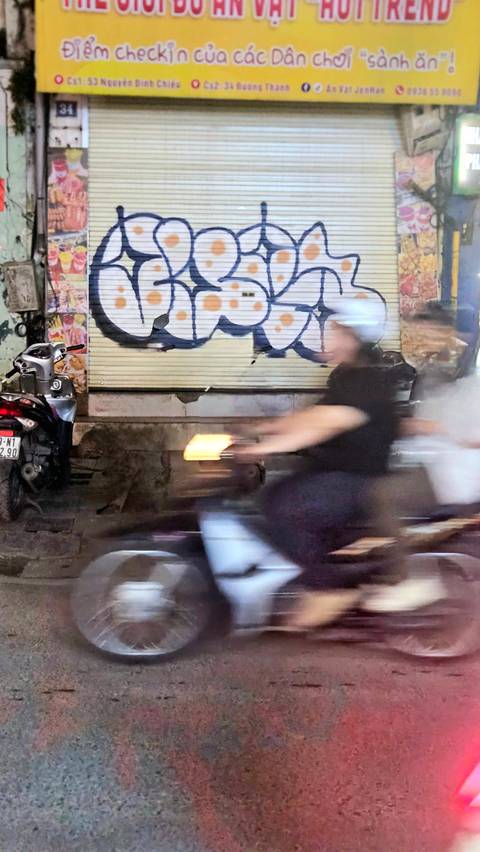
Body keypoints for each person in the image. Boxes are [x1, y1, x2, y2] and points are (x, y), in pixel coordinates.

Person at [236, 297, 398, 629]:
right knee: (271, 495)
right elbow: (315, 415)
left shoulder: (367, 379)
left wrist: (266, 447)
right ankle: (314, 570)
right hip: (334, 470)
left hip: (357, 479)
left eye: (335, 330)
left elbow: (328, 423)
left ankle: (327, 589)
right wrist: (260, 428)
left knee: (285, 509)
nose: (328, 337)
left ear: (353, 337)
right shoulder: (346, 375)